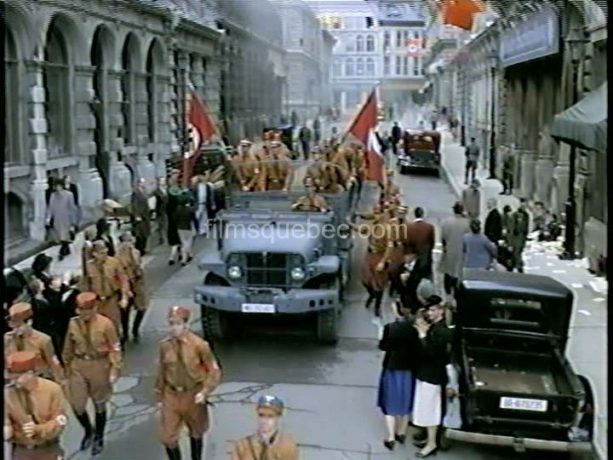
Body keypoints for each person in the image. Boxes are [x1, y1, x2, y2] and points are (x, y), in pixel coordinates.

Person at [155, 306, 222, 460]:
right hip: (171, 394)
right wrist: (159, 395)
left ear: (186, 324)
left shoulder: (200, 345)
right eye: (171, 323)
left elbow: (213, 370)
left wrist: (205, 392)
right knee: (167, 437)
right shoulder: (165, 345)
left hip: (193, 393)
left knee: (196, 431)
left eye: (178, 324)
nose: (174, 328)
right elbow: (161, 371)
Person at [62, 292, 122, 455]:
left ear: (95, 308)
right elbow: (68, 346)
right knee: (77, 404)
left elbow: (115, 347)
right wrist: (65, 368)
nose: (84, 313)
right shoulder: (73, 323)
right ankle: (88, 430)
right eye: (81, 310)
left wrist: (114, 368)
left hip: (99, 364)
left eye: (88, 310)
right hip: (79, 364)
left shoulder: (106, 324)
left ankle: (99, 437)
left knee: (99, 403)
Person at [4, 350, 69, 460]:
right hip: (22, 451)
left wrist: (38, 429)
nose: (14, 381)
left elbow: (60, 421)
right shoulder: (8, 394)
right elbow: (7, 423)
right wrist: (7, 429)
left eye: (17, 377)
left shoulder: (52, 389)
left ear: (29, 373)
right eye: (11, 377)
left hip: (48, 449)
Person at [377, 299, 420, 451]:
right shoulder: (413, 329)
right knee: (405, 400)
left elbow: (383, 346)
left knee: (389, 402)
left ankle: (391, 437)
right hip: (408, 369)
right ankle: (401, 432)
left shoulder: (390, 328)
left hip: (392, 367)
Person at [412, 296, 452, 458]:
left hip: (433, 375)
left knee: (431, 411)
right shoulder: (436, 328)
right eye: (429, 309)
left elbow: (432, 354)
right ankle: (430, 439)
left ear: (441, 311)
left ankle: (431, 443)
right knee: (426, 409)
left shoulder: (441, 331)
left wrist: (422, 335)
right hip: (426, 374)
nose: (430, 312)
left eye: (434, 309)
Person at [4, 302, 65, 382]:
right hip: (15, 381)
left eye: (19, 325)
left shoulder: (43, 339)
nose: (16, 329)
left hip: (38, 379)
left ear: (29, 322)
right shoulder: (8, 338)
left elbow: (52, 363)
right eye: (13, 326)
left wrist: (59, 381)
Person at [232, 395, 298, 460]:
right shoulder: (242, 445)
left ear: (278, 417)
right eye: (261, 415)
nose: (264, 420)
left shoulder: (287, 445)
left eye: (270, 416)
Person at [85, 240, 131, 335]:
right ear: (95, 254)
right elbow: (87, 284)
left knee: (113, 326)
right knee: (98, 328)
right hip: (97, 301)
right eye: (101, 253)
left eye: (106, 251)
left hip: (111, 299)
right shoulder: (89, 266)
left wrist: (124, 298)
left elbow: (123, 280)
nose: (104, 254)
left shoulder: (114, 262)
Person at [116, 231, 148, 344]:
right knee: (125, 311)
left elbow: (138, 265)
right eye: (128, 240)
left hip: (137, 283)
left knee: (141, 308)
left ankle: (134, 330)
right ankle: (127, 332)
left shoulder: (135, 252)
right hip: (127, 284)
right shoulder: (119, 255)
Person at [439, 202, 471, 305]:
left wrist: (445, 247)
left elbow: (443, 238)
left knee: (447, 273)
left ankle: (447, 296)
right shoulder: (467, 223)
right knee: (458, 274)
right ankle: (456, 296)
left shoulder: (446, 222)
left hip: (449, 250)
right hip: (461, 252)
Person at [45, 178, 78, 261]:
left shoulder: (69, 195)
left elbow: (72, 208)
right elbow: (50, 208)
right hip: (57, 219)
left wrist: (73, 222)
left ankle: (62, 253)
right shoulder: (53, 196)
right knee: (61, 237)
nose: (57, 188)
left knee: (65, 237)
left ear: (62, 186)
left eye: (59, 186)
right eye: (56, 186)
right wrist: (48, 218)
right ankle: (67, 250)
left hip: (67, 219)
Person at [406, 207, 436, 277]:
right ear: (422, 215)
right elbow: (432, 242)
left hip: (413, 256)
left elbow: (407, 242)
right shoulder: (429, 227)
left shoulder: (409, 227)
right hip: (425, 256)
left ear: (414, 215)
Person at [508, 198, 530, 273]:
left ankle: (514, 266)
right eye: (522, 204)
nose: (524, 206)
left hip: (522, 237)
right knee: (516, 253)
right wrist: (510, 242)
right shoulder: (514, 215)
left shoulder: (526, 215)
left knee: (518, 252)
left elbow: (526, 227)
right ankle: (519, 267)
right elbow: (511, 229)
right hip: (515, 237)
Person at [167, 170, 184, 265]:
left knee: (176, 239)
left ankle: (175, 255)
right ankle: (174, 257)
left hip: (172, 217)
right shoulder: (174, 190)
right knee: (179, 237)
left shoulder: (172, 188)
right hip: (176, 217)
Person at [131, 178, 151, 255]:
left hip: (145, 216)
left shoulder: (144, 191)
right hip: (140, 217)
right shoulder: (136, 193)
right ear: (139, 183)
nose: (144, 184)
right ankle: (140, 249)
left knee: (145, 233)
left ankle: (143, 248)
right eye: (142, 183)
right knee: (140, 234)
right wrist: (137, 215)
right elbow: (134, 205)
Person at [176, 193, 196, 265]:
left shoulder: (177, 209)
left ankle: (189, 255)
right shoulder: (190, 209)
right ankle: (184, 259)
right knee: (188, 243)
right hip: (188, 227)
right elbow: (194, 219)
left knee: (184, 242)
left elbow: (175, 219)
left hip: (180, 228)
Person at [153, 177, 169, 245]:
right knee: (161, 225)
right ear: (159, 182)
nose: (163, 182)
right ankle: (161, 238)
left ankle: (166, 238)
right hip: (160, 210)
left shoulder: (167, 189)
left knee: (167, 224)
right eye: (162, 181)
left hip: (167, 210)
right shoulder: (156, 191)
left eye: (164, 181)